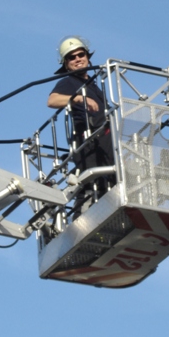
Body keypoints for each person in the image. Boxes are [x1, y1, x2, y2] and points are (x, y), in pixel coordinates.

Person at [47, 36, 114, 210]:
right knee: (90, 187)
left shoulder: (93, 85)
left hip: (106, 142)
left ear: (87, 57)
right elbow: (52, 101)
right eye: (71, 57)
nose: (77, 59)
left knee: (112, 183)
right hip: (88, 142)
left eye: (81, 55)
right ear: (66, 63)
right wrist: (77, 98)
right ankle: (83, 215)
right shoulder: (69, 82)